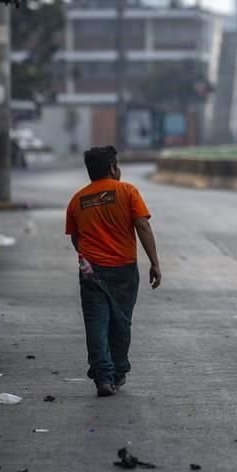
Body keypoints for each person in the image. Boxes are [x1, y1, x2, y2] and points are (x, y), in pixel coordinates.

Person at [65, 146, 162, 397]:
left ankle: (103, 377)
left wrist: (88, 258)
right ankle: (118, 372)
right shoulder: (127, 192)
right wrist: (154, 262)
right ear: (112, 168)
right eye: (117, 165)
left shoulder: (77, 200)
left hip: (91, 272)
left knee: (96, 324)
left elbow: (76, 238)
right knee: (121, 323)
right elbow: (142, 225)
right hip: (124, 270)